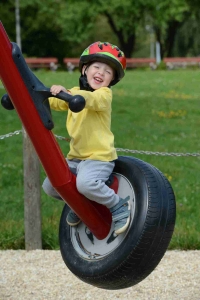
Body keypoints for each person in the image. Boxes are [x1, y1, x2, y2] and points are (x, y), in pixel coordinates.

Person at [42, 41, 130, 235]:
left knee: (86, 184)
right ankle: (83, 207)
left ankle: (118, 205)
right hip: (76, 157)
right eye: (96, 67)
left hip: (99, 157)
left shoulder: (104, 95)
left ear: (111, 80)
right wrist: (52, 93)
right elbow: (56, 102)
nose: (101, 73)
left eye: (108, 72)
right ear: (84, 69)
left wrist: (72, 94)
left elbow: (90, 99)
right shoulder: (74, 92)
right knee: (51, 185)